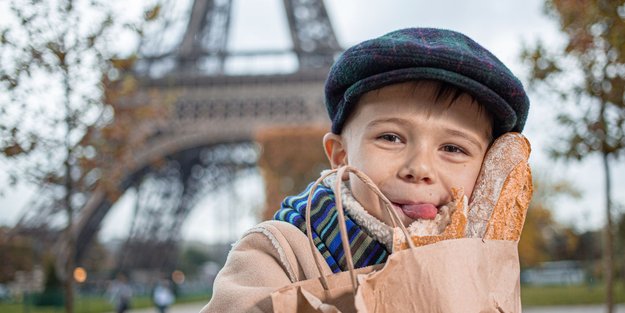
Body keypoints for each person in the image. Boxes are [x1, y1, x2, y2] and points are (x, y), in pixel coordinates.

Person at [201, 27, 530, 312]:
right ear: (340, 155)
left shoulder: (482, 260)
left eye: (453, 148)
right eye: (391, 137)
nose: (420, 168)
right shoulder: (277, 255)